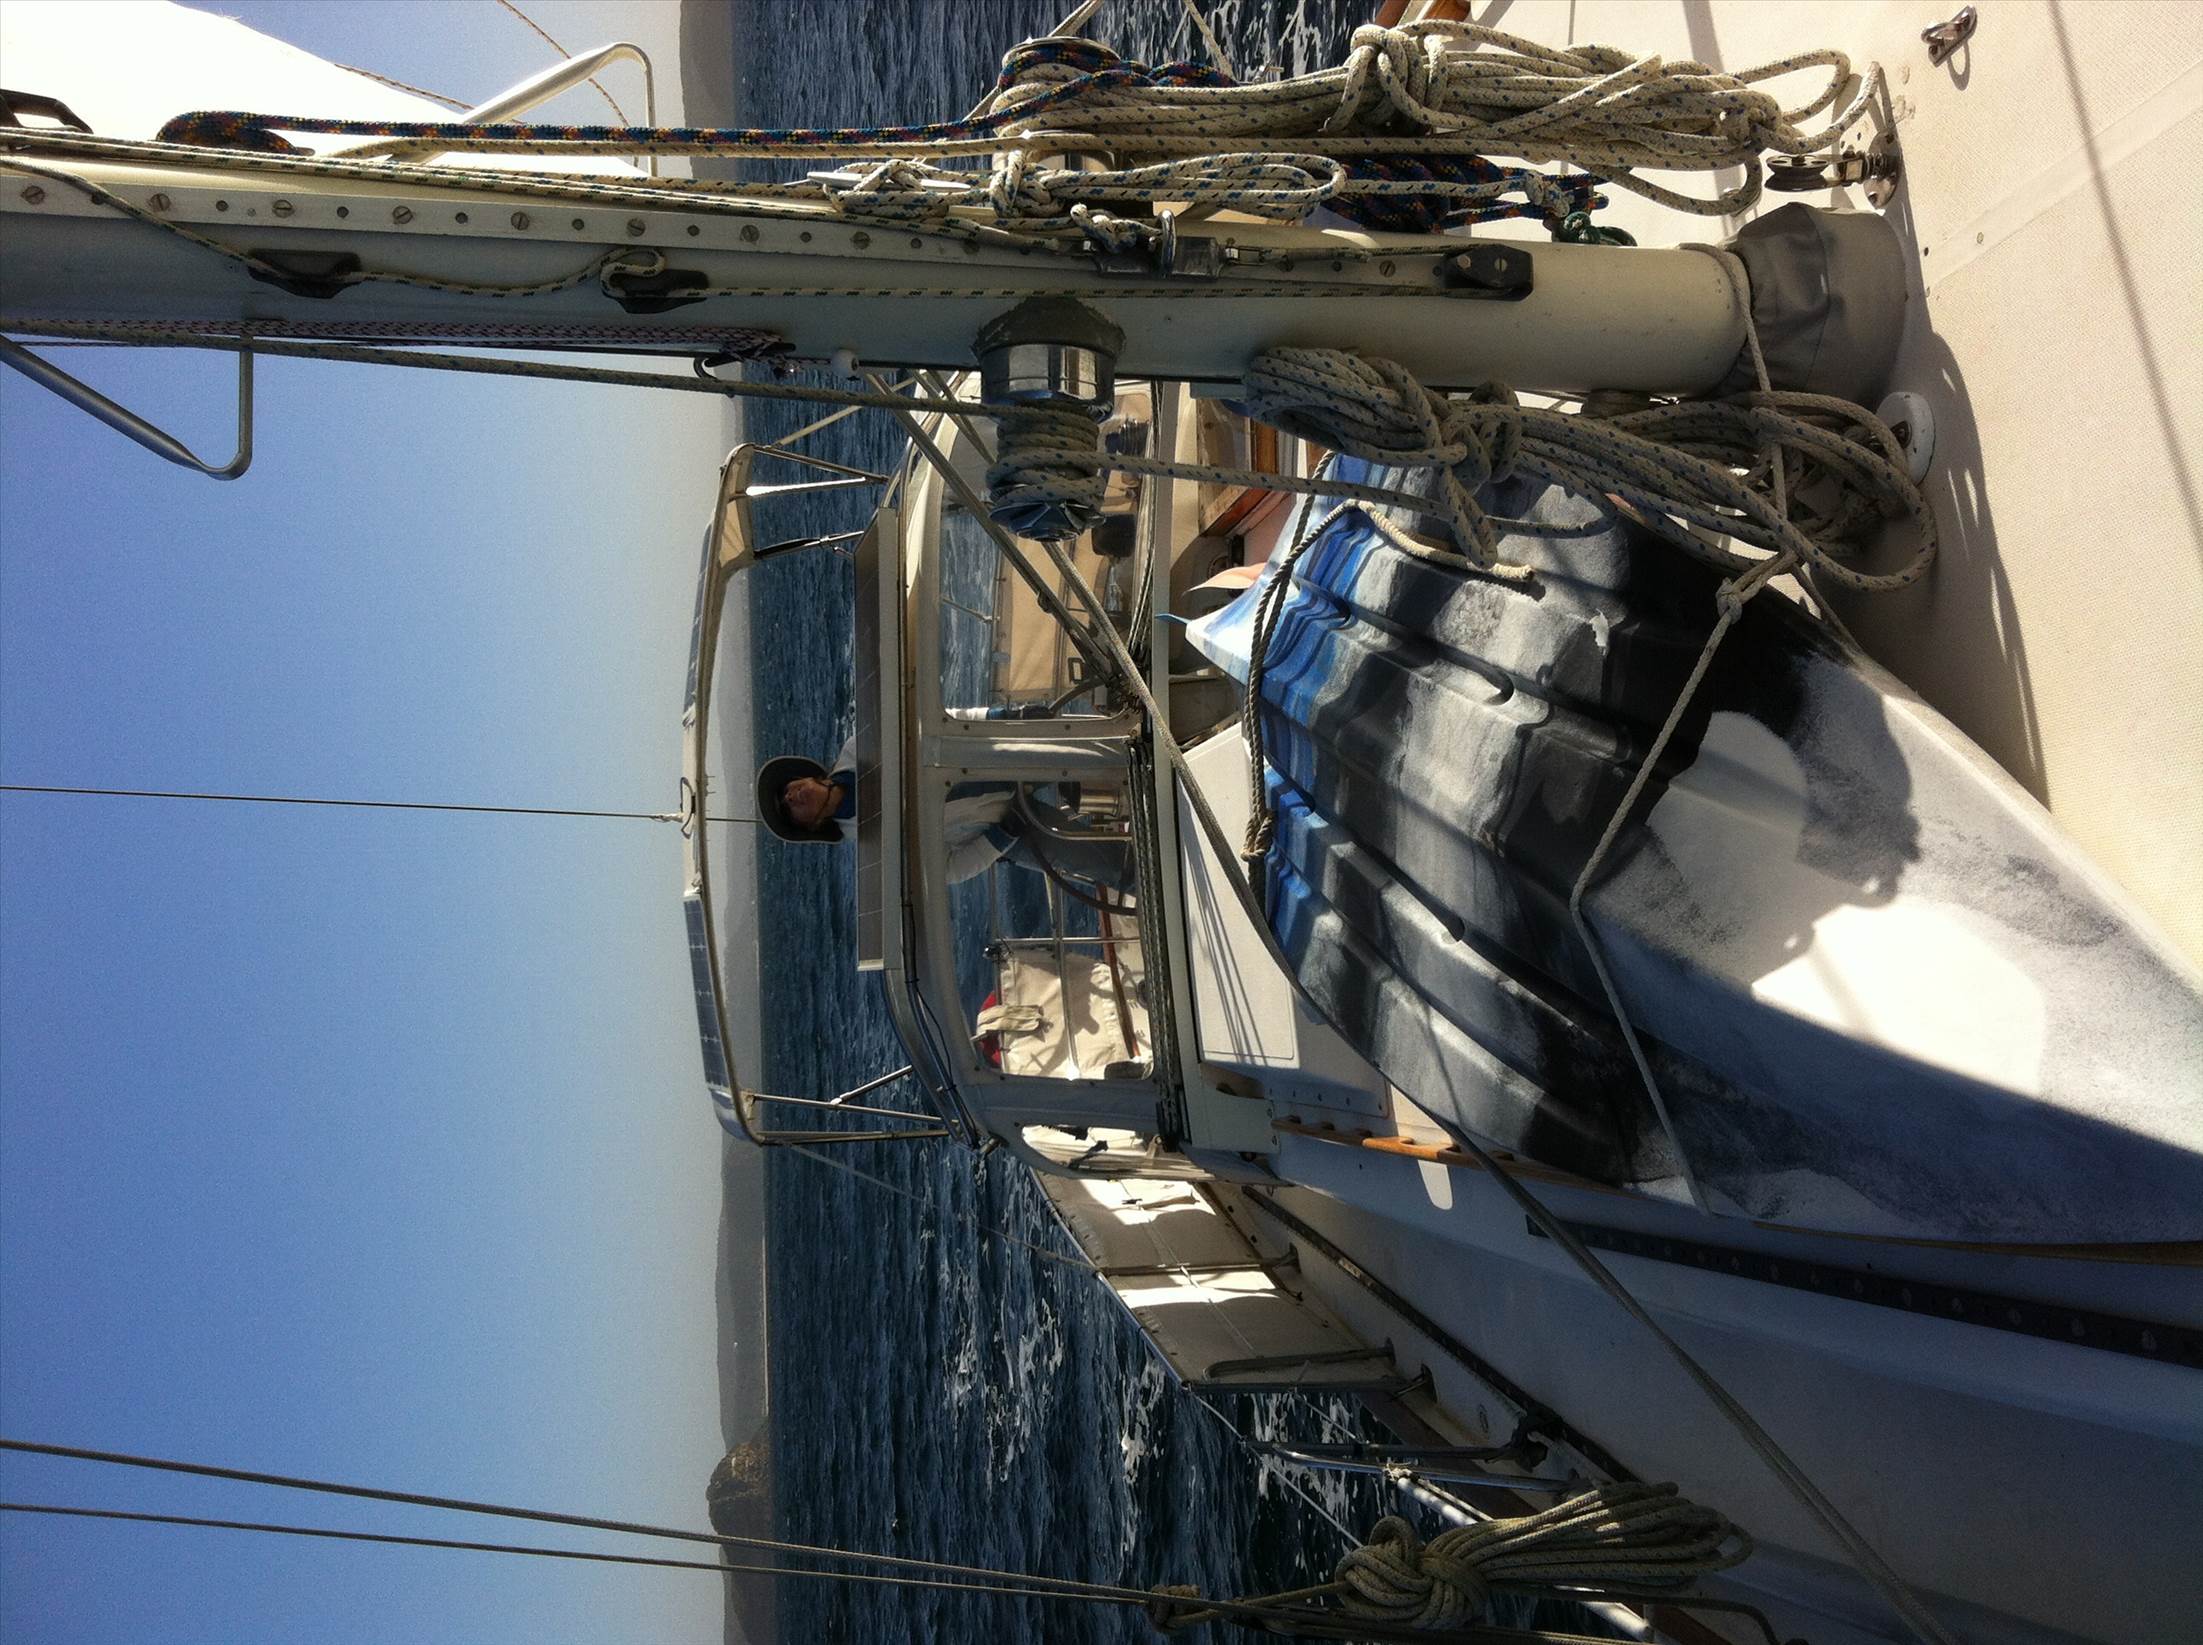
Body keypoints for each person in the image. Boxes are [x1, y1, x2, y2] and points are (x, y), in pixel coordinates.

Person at [756, 716, 1131, 889]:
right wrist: (1002, 835)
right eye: (789, 809)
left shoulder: (860, 747)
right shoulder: (876, 846)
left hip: (999, 753)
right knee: (1112, 866)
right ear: (812, 827)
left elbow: (932, 723)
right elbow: (948, 870)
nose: (791, 796)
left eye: (787, 789)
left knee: (1112, 745)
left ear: (805, 775)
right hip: (1008, 827)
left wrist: (997, 718)